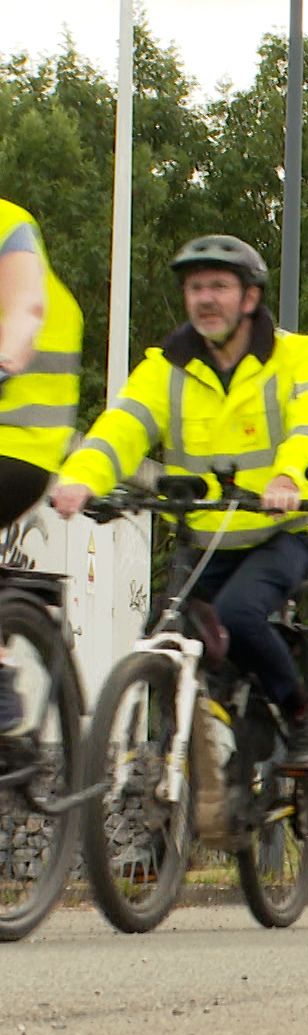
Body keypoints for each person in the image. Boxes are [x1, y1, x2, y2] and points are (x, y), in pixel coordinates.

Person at [49, 235, 308, 769]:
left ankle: (301, 716)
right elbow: (123, 427)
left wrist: (288, 476)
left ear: (249, 298)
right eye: (195, 287)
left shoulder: (298, 354)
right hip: (203, 537)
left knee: (237, 615)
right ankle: (179, 776)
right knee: (162, 635)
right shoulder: (166, 367)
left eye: (219, 287)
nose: (205, 298)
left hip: (281, 532)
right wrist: (82, 477)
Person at [0, 199, 82, 759]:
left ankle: (1, 691)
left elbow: (26, 308)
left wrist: (4, 364)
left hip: (18, 447)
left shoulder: (9, 223)